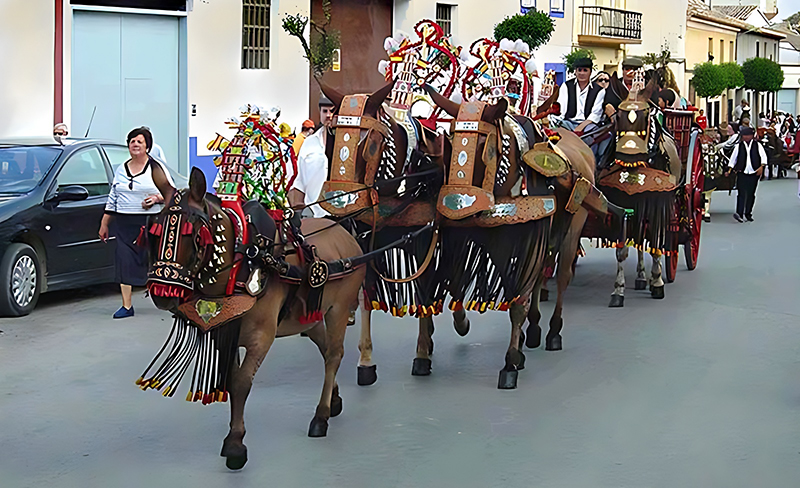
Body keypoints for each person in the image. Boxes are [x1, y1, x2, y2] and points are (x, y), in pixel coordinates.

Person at [99, 127, 175, 318]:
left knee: (156, 260)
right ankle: (126, 306)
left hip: (150, 222)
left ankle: (169, 301)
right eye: (132, 141)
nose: (135, 144)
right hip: (124, 222)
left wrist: (157, 199)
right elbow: (113, 197)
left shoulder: (156, 168)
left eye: (139, 141)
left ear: (147, 146)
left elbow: (171, 192)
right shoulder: (121, 168)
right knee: (124, 260)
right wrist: (105, 223)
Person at [289, 95, 336, 218]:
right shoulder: (309, 143)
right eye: (325, 111)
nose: (328, 115)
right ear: (319, 113)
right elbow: (300, 177)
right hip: (312, 210)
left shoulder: (346, 144)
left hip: (338, 213)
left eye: (332, 111)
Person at [726, 126, 766, 222]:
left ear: (752, 136)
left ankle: (748, 213)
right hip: (742, 172)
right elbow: (733, 159)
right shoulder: (738, 146)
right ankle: (739, 213)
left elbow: (763, 157)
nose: (746, 137)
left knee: (751, 194)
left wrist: (762, 167)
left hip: (754, 172)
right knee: (741, 193)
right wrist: (729, 170)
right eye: (744, 135)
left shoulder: (758, 145)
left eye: (748, 135)